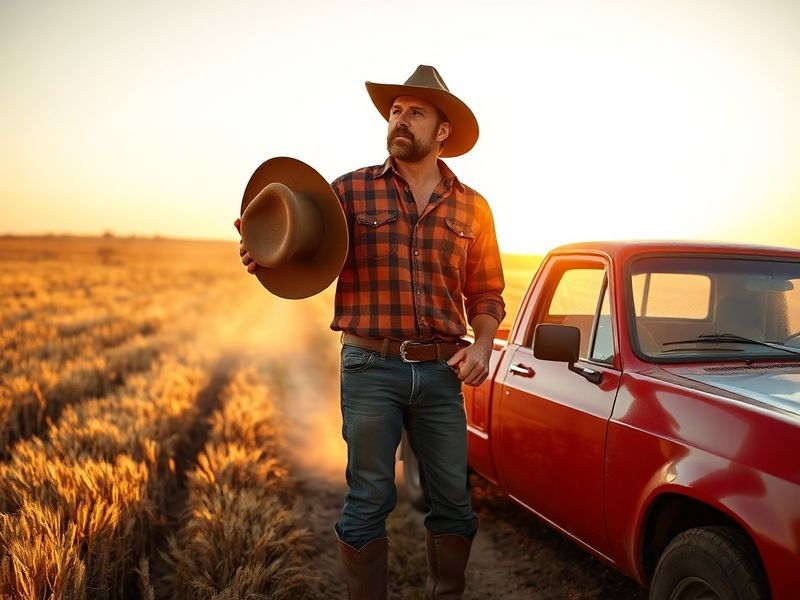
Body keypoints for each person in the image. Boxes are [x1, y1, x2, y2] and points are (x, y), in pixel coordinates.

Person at [238, 65, 505, 600]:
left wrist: (481, 344)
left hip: (441, 371)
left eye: (415, 112)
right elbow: (298, 242)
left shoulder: (473, 206)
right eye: (395, 111)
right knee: (368, 499)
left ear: (443, 131)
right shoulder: (349, 192)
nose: (399, 120)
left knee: (454, 502)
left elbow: (487, 293)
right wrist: (264, 250)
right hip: (370, 367)